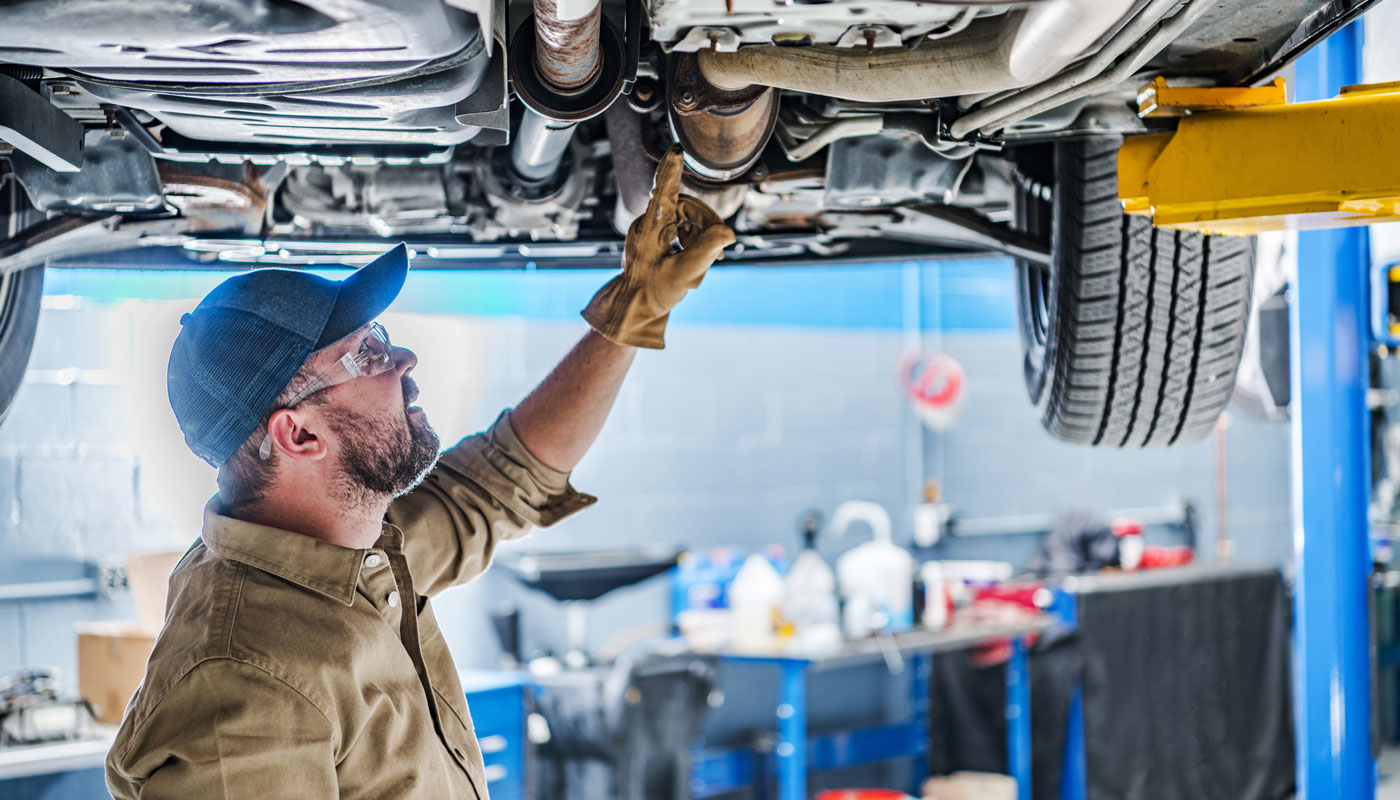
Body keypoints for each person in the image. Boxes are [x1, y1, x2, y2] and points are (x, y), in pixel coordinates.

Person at [105, 147, 734, 799]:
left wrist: (633, 311)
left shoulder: (353, 546)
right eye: (366, 355)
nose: (402, 358)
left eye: (382, 335)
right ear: (298, 433)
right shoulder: (243, 675)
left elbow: (500, 478)